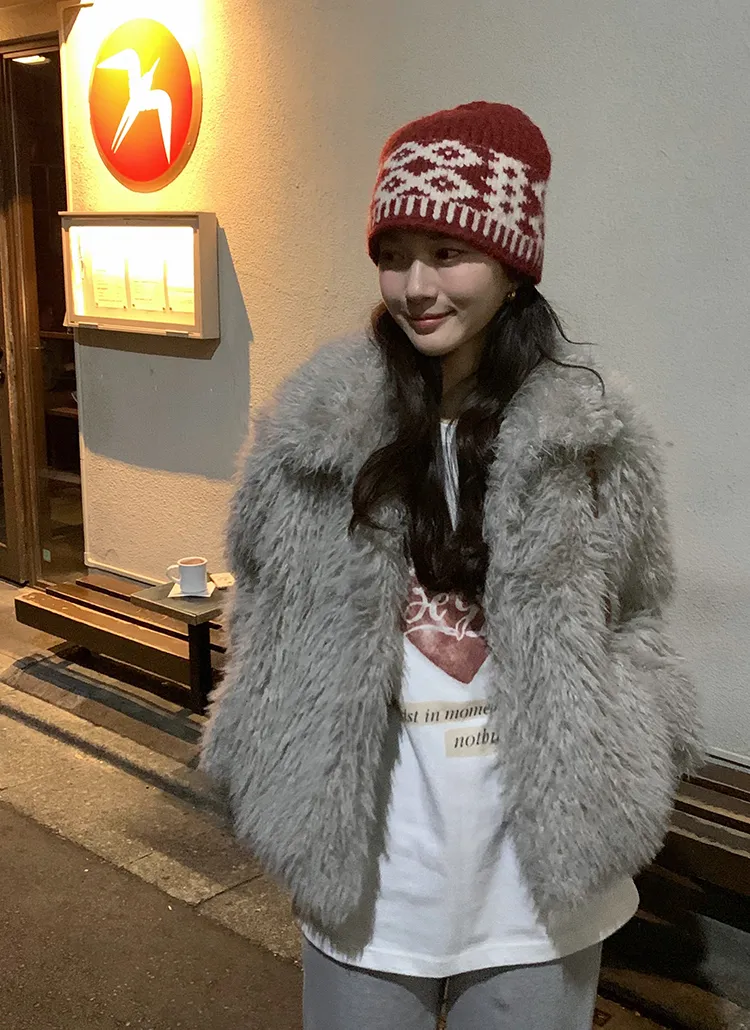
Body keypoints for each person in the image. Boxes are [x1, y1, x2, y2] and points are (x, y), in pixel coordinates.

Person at [200, 101, 705, 1030]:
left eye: (447, 252)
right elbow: (264, 611)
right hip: (369, 871)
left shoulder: (591, 437)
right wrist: (261, 763)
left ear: (513, 269)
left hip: (540, 878)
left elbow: (635, 615)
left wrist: (635, 759)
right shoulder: (317, 435)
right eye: (394, 254)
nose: (415, 285)